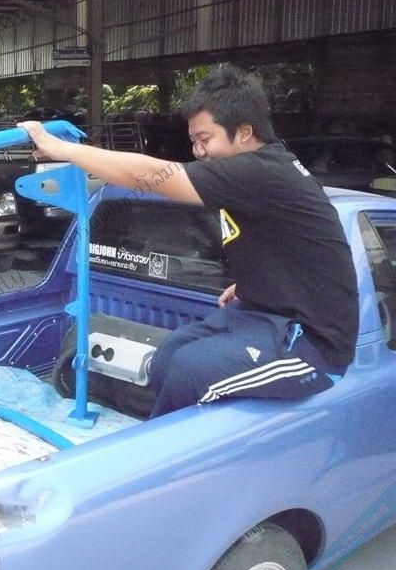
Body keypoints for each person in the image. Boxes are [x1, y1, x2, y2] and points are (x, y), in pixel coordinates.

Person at [19, 65, 359, 418]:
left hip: (310, 345)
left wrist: (64, 149)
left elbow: (147, 175)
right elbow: (293, 245)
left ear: (245, 132)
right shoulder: (257, 172)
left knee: (189, 370)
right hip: (261, 314)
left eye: (205, 139)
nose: (198, 151)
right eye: (194, 141)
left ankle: (164, 449)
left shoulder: (263, 171)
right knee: (167, 356)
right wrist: (252, 284)